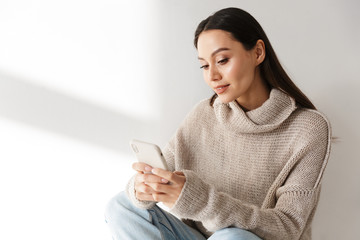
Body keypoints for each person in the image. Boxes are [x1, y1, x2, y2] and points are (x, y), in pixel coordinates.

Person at [105, 7, 331, 240]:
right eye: (204, 65)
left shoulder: (309, 128)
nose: (212, 75)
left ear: (258, 53)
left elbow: (288, 228)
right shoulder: (204, 114)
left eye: (222, 60)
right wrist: (144, 187)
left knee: (232, 237)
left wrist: (200, 200)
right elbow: (164, 172)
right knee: (121, 206)